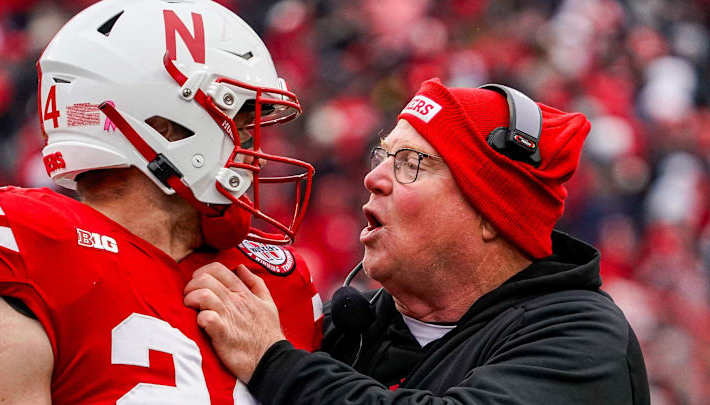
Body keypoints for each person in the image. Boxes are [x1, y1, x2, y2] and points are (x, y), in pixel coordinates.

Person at [184, 78, 651, 404]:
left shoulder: (582, 336)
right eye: (382, 155)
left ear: (492, 212)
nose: (374, 178)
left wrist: (272, 362)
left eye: (411, 163)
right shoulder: (348, 333)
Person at [0, 0, 322, 403]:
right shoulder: (29, 243)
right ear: (163, 126)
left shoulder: (277, 283)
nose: (252, 150)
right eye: (239, 121)